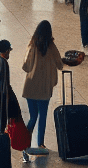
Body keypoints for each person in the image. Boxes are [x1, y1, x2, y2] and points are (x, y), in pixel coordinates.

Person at [21, 20, 64, 159]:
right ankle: (41, 144)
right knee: (43, 116)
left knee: (33, 116)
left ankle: (25, 143)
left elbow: (26, 66)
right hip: (45, 88)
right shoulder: (51, 46)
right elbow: (59, 64)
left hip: (31, 86)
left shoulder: (32, 45)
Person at [0, 40, 23, 133]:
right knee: (1, 122)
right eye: (9, 51)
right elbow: (1, 85)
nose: (9, 53)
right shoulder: (2, 62)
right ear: (6, 51)